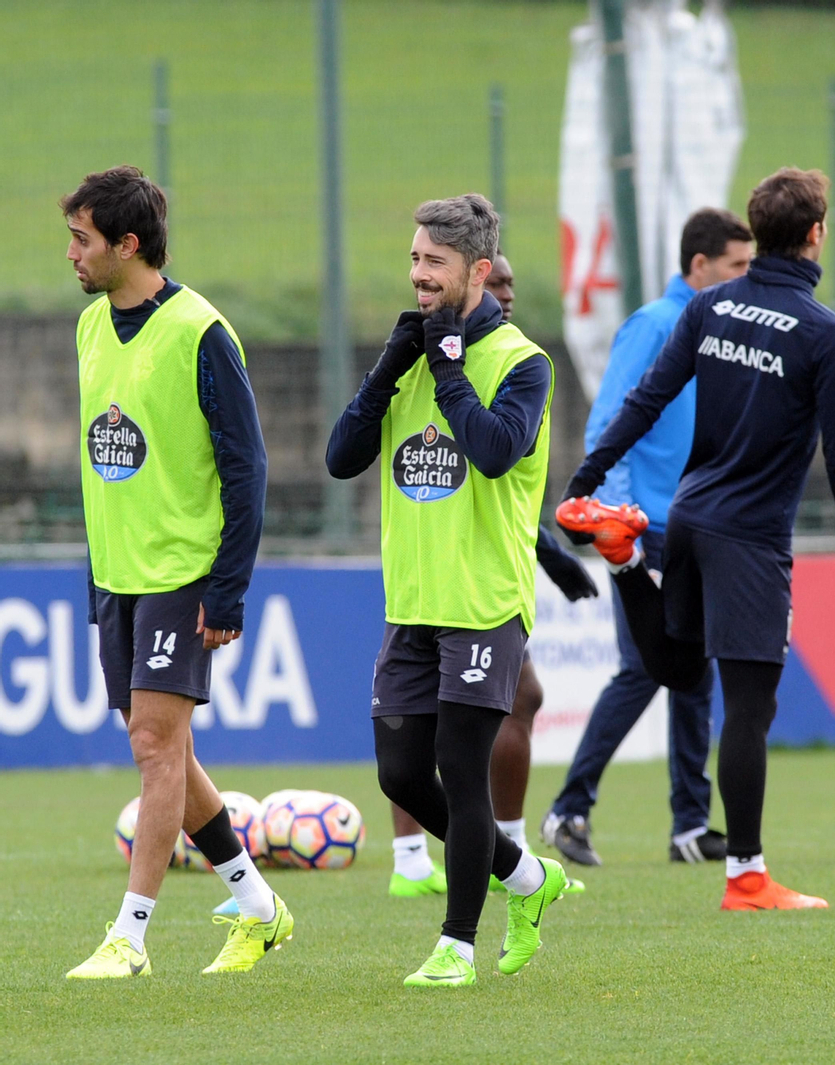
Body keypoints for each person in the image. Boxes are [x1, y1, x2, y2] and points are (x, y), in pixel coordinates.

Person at [558, 168, 835, 910]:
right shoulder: (826, 333)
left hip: (692, 515)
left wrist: (587, 479)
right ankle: (747, 876)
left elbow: (647, 397)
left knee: (676, 664)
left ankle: (626, 557)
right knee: (750, 707)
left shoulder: (712, 305)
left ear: (758, 232)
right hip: (751, 537)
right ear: (815, 235)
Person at [326, 194, 568, 988]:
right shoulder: (413, 355)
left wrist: (449, 369)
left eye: (433, 262)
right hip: (413, 606)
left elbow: (497, 452)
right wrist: (391, 369)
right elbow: (340, 457)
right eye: (414, 260)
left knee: (462, 775)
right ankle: (529, 880)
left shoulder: (523, 363)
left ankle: (457, 947)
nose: (418, 275)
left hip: (483, 603)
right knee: (401, 773)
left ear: (478, 271)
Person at [61, 166, 293, 979]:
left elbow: (247, 468)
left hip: (183, 574)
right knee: (162, 745)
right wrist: (98, 575)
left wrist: (227, 587)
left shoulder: (201, 332)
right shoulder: (91, 328)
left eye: (82, 239)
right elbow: (103, 464)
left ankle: (130, 937)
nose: (71, 254)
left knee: (157, 745)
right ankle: (260, 906)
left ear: (128, 244)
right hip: (117, 576)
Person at [384, 246, 599, 899]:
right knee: (434, 737)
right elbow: (478, 475)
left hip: (472, 578)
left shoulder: (516, 363)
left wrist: (553, 556)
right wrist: (555, 558)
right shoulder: (444, 360)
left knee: (475, 723)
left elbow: (502, 490)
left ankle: (457, 871)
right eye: (495, 280)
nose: (505, 293)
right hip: (448, 576)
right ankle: (446, 855)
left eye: (511, 283)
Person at [542, 208, 754, 868]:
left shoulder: (721, 328)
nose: (747, 277)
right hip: (644, 530)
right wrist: (620, 517)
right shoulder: (656, 325)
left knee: (693, 675)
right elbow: (611, 421)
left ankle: (690, 825)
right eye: (737, 267)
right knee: (644, 668)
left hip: (695, 528)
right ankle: (567, 810)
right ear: (699, 267)